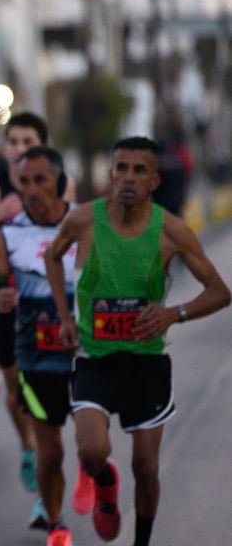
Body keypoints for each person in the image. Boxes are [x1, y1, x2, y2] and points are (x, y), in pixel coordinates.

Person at [44, 136, 230, 545]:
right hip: (95, 358)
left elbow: (220, 291)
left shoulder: (172, 231)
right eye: (121, 168)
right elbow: (52, 256)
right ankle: (104, 486)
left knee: (146, 468)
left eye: (138, 170)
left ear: (153, 181)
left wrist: (172, 313)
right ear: (110, 175)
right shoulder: (82, 221)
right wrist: (64, 316)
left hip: (146, 363)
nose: (127, 177)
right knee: (92, 451)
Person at [0, 112, 76, 497]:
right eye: (14, 141)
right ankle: (29, 448)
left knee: (58, 390)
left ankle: (54, 469)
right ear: (4, 148)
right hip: (5, 301)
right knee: (15, 391)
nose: (20, 149)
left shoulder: (62, 183)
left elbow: (70, 237)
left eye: (28, 141)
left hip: (55, 302)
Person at [0, 146, 90, 546]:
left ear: (60, 183)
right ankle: (57, 524)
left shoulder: (86, 224)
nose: (31, 189)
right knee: (50, 449)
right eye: (24, 181)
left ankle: (94, 472)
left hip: (86, 354)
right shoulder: (8, 235)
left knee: (90, 444)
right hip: (36, 354)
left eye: (40, 180)